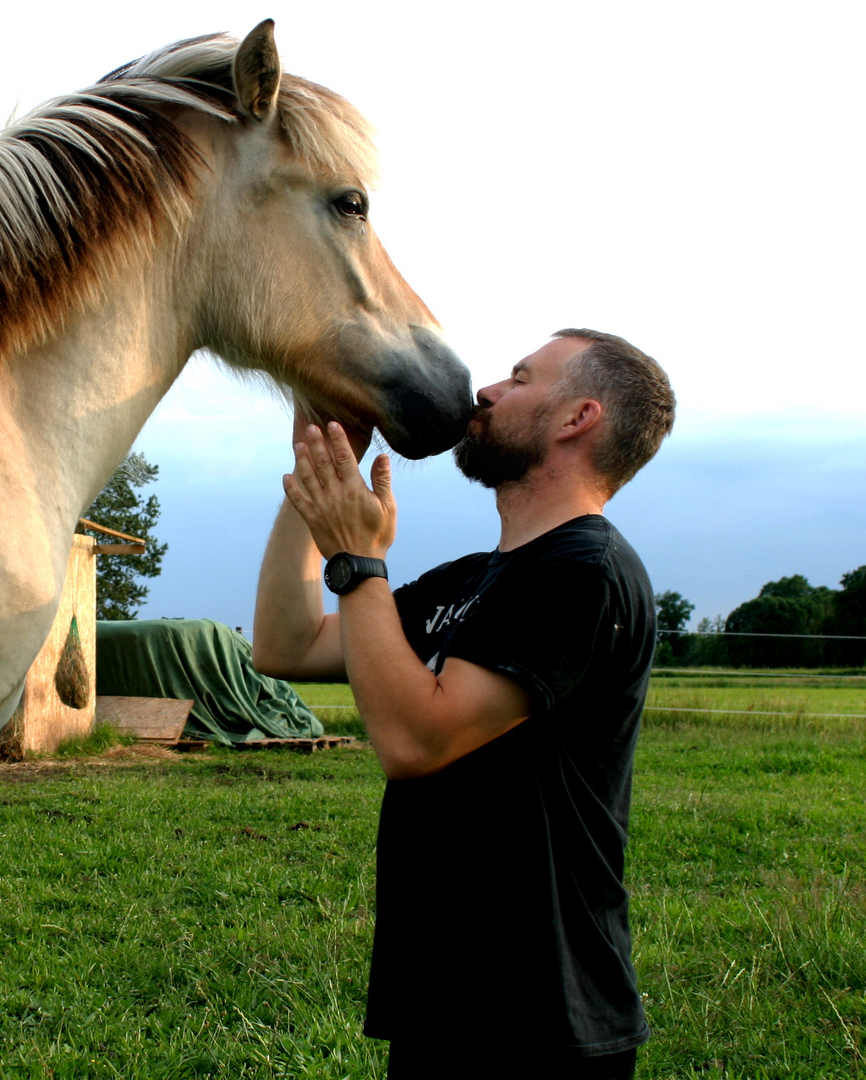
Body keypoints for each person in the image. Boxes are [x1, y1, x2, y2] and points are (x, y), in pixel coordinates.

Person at [252, 329, 675, 1078]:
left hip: (537, 1018)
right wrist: (318, 478)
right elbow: (288, 645)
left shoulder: (585, 572)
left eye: (520, 379)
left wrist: (358, 561)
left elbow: (417, 740)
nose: (486, 391)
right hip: (444, 998)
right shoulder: (470, 580)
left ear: (578, 417)